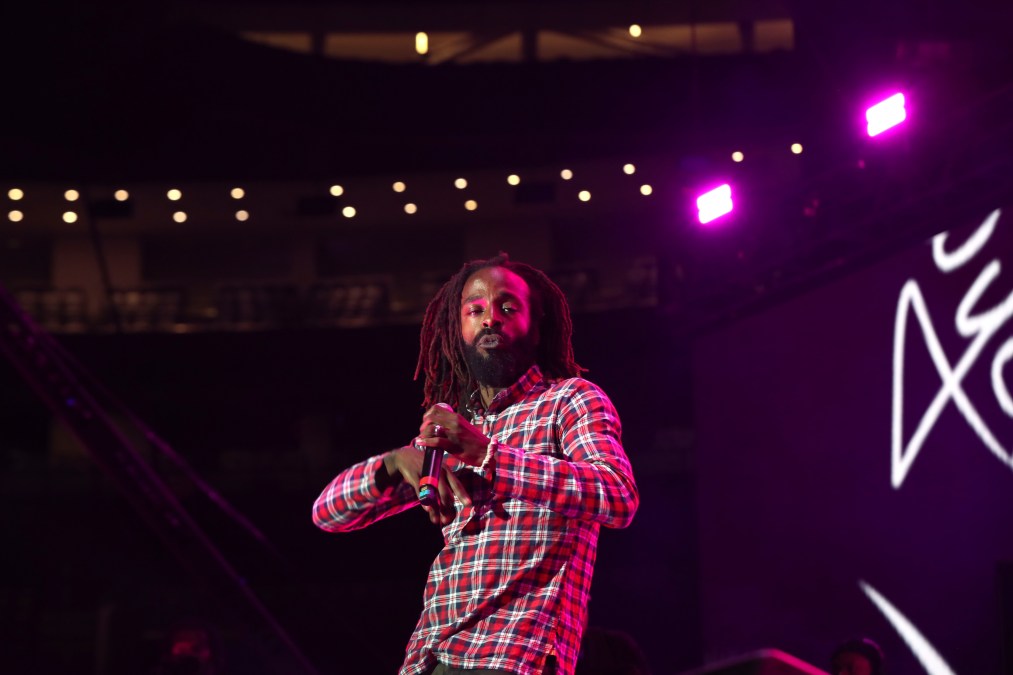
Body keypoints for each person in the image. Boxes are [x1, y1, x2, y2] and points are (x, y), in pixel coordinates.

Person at [312, 252, 640, 675]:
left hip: (513, 653)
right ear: (459, 329)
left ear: (537, 327)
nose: (490, 319)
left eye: (507, 307)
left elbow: (617, 497)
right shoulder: (454, 429)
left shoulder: (570, 400)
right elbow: (327, 514)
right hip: (428, 658)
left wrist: (488, 455)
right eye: (476, 309)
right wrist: (393, 463)